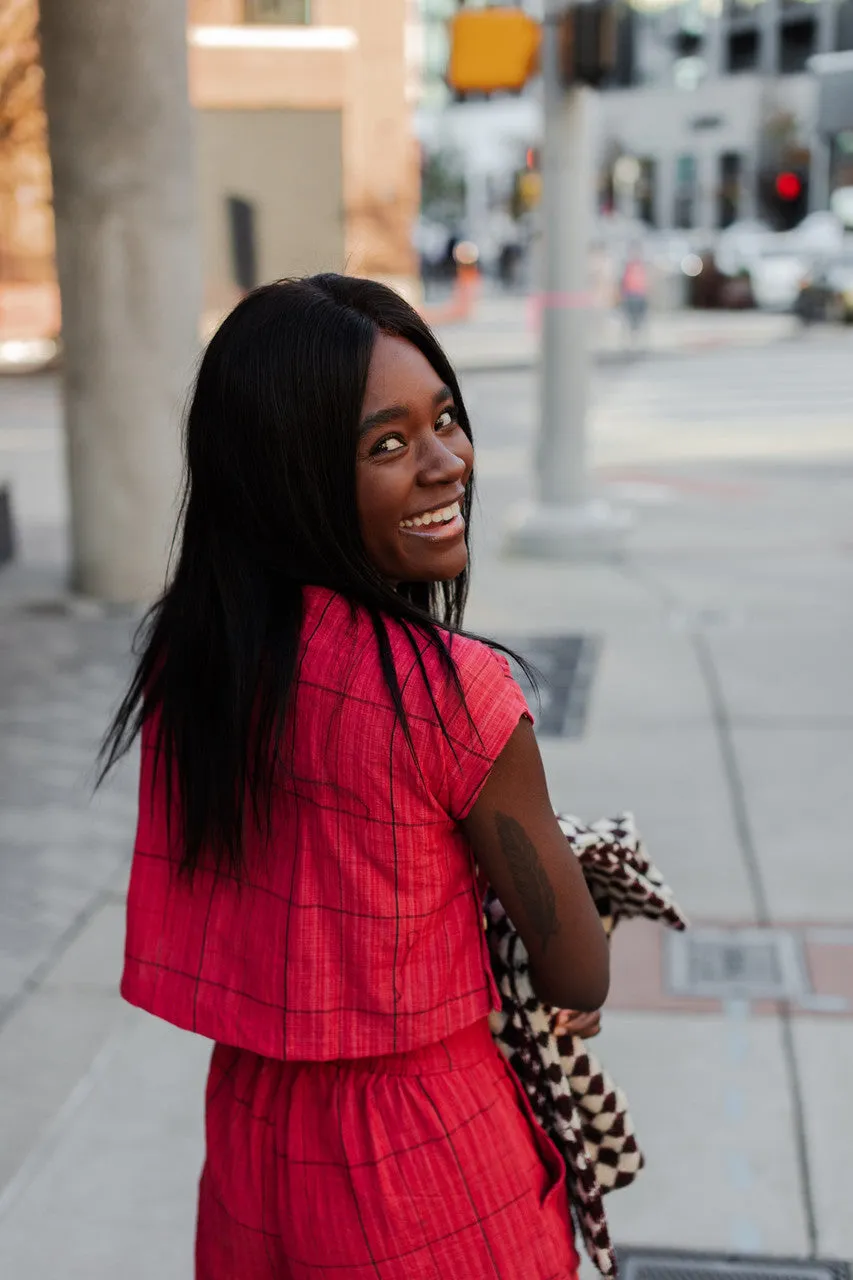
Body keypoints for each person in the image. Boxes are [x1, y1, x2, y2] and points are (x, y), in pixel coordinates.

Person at [100, 274, 610, 1279]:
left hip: (252, 1130)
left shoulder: (197, 658)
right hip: (423, 1153)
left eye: (446, 420)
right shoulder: (453, 695)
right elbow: (576, 969)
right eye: (387, 444)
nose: (446, 463)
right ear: (288, 476)